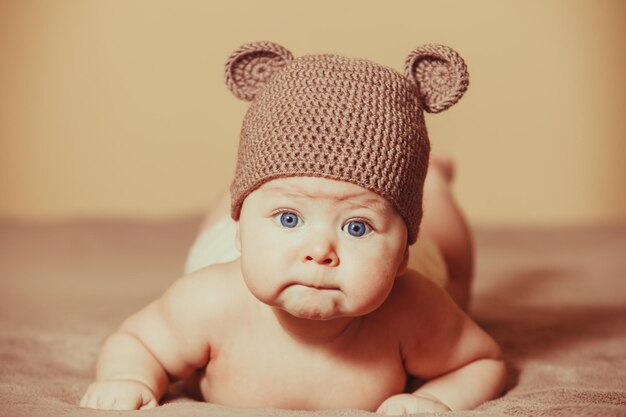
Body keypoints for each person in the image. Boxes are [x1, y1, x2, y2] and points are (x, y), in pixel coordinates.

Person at [80, 41, 506, 414]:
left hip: (383, 244)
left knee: (451, 267)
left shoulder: (414, 309)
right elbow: (138, 342)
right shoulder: (206, 303)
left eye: (357, 227)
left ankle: (435, 181)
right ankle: (245, 201)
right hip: (229, 250)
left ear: (400, 258)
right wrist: (129, 378)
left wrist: (439, 399)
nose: (320, 249)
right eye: (290, 219)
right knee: (231, 210)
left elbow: (481, 361)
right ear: (243, 231)